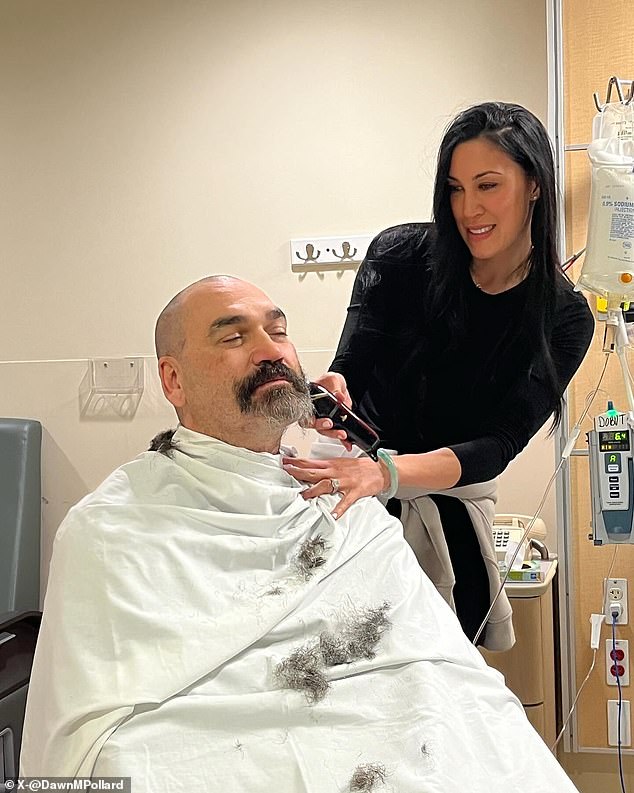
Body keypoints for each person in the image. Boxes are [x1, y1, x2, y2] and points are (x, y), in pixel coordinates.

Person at [20, 275, 581, 792]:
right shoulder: (110, 526)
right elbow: (92, 732)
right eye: (233, 337)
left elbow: (438, 666)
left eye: (279, 332)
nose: (270, 350)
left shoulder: (346, 506)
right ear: (174, 379)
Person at [282, 102, 595, 647]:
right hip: (354, 499)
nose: (468, 208)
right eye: (454, 188)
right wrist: (336, 390)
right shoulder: (399, 255)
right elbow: (351, 364)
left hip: (444, 515)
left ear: (536, 185)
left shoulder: (563, 317)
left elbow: (496, 444)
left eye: (488, 185)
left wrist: (391, 474)